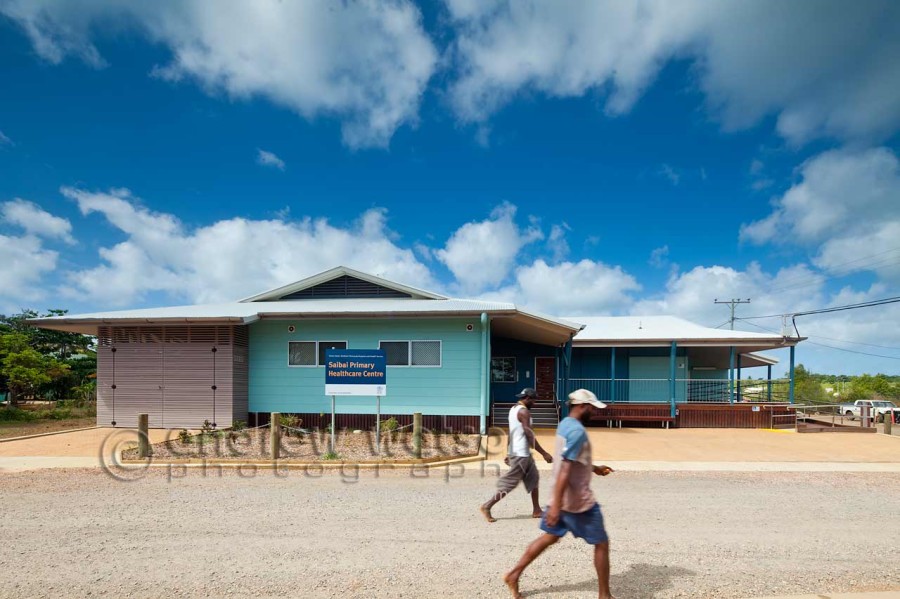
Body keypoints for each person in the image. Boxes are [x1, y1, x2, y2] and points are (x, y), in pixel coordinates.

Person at [503, 388, 616, 599]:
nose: (594, 412)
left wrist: (594, 468)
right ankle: (605, 595)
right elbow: (565, 468)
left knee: (550, 536)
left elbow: (571, 459)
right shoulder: (577, 432)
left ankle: (513, 574)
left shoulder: (565, 424)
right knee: (601, 543)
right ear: (581, 406)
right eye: (592, 408)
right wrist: (555, 507)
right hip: (578, 501)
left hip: (561, 497)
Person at [480, 387, 553, 523]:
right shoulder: (524, 412)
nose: (535, 404)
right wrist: (544, 453)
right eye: (534, 401)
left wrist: (508, 451)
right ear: (528, 398)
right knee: (510, 483)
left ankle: (537, 510)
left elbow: (511, 431)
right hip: (520, 454)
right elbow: (529, 434)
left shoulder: (513, 409)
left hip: (522, 453)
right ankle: (487, 506)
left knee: (534, 479)